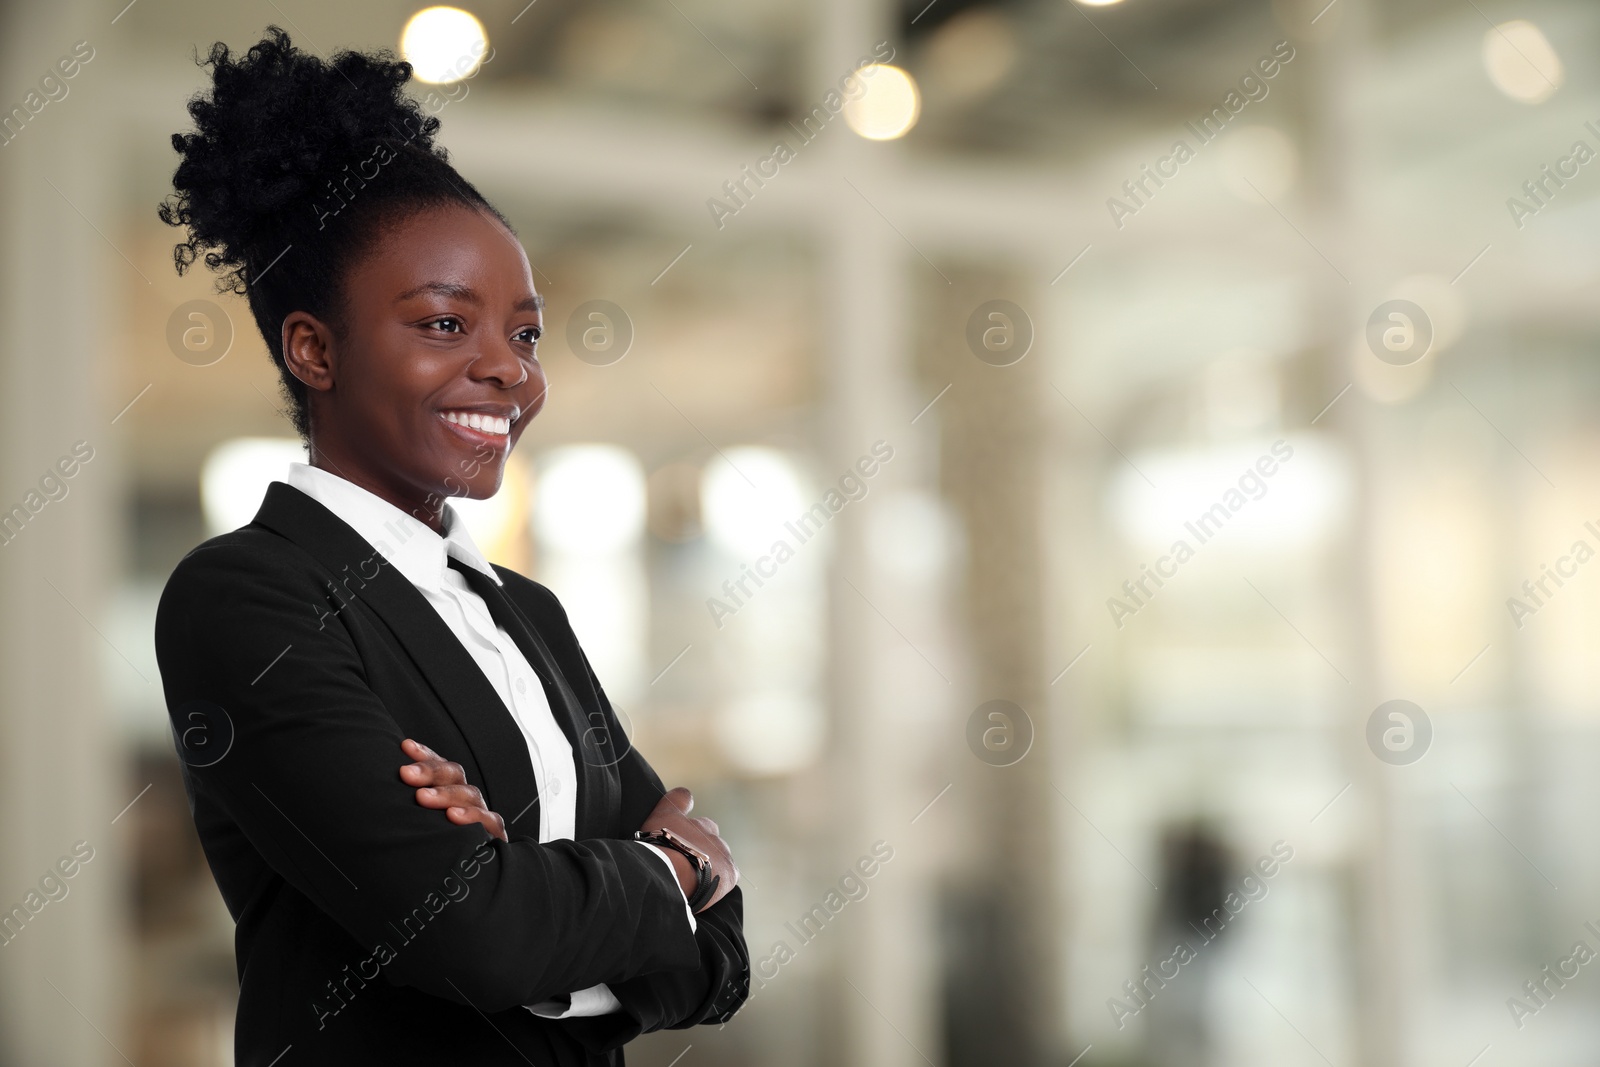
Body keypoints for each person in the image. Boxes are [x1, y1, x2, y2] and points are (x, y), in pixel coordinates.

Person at [151, 27, 747, 1066]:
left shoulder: (525, 608)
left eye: (523, 334)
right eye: (443, 325)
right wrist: (669, 875)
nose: (508, 371)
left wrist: (539, 885)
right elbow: (471, 932)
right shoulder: (248, 596)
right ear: (315, 347)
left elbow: (721, 963)